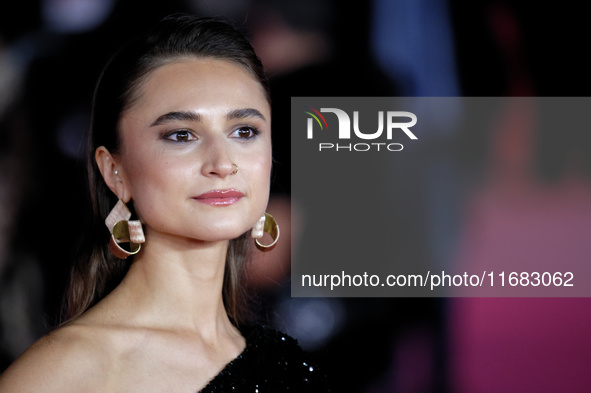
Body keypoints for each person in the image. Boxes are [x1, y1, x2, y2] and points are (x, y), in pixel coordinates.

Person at [0, 14, 329, 392]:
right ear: (114, 171)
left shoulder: (289, 367)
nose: (223, 164)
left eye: (244, 131)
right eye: (181, 135)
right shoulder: (63, 373)